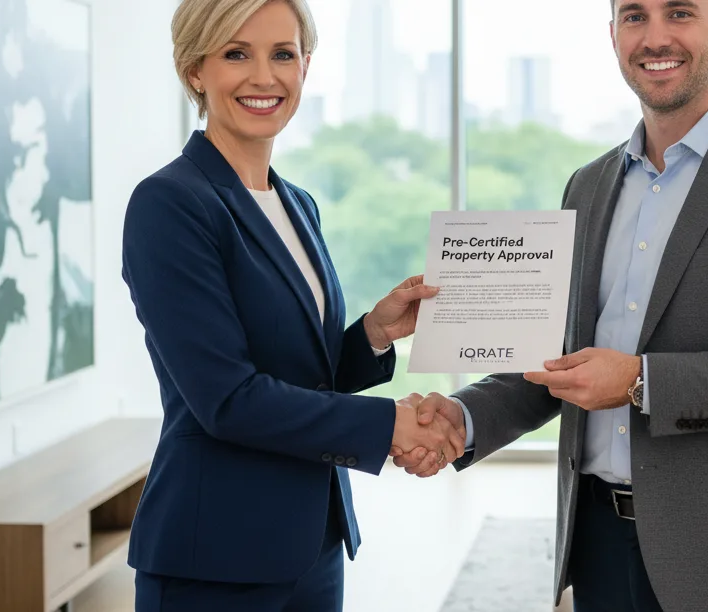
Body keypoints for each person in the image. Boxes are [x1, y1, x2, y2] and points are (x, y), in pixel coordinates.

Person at [393, 1, 708, 611]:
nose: (655, 37)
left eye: (679, 13)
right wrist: (461, 418)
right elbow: (561, 357)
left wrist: (640, 382)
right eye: (634, 16)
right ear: (613, 33)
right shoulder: (588, 185)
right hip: (598, 544)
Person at [120, 0, 462, 609]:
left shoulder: (297, 203)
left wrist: (373, 334)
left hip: (313, 543)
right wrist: (389, 425)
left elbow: (301, 374)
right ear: (194, 69)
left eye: (282, 54)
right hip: (215, 557)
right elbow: (227, 399)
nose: (264, 77)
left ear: (306, 65)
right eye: (236, 54)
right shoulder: (169, 204)